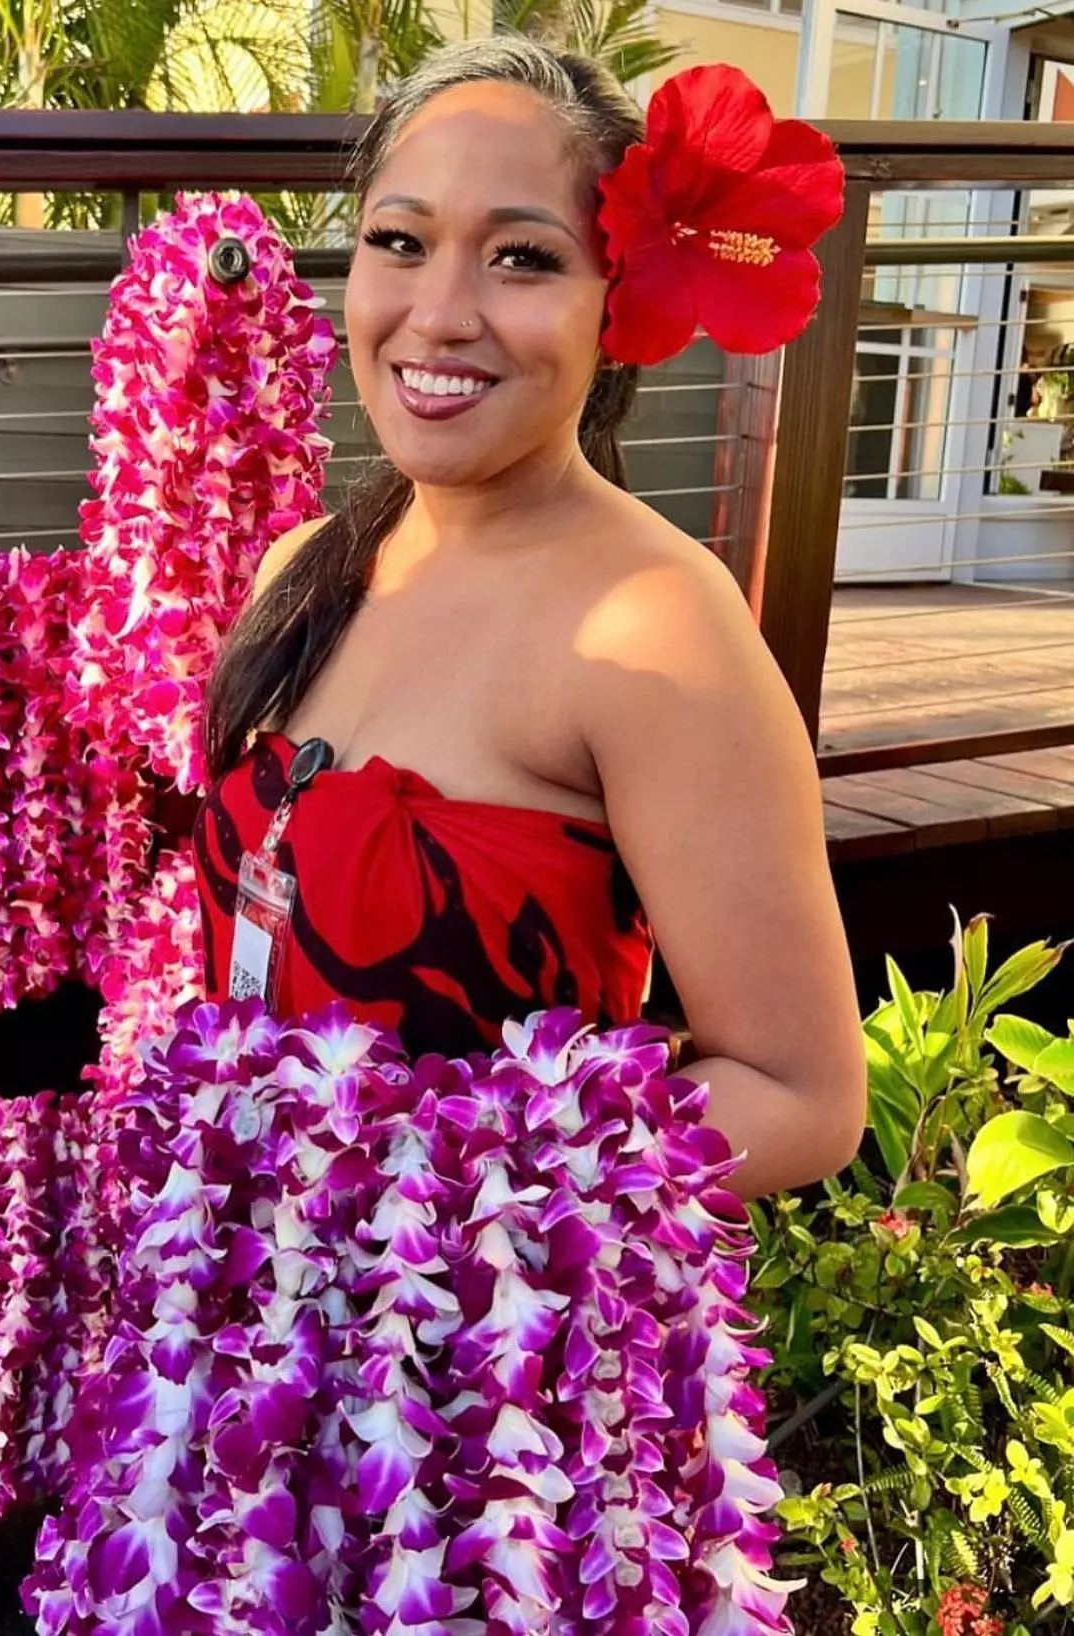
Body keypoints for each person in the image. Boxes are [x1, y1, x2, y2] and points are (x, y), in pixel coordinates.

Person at [195, 36, 867, 1204]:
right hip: (244, 1325)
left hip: (478, 1356)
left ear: (620, 300)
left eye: (521, 257)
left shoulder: (653, 627)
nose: (440, 313)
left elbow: (801, 1093)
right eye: (399, 242)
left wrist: (439, 1216)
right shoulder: (304, 568)